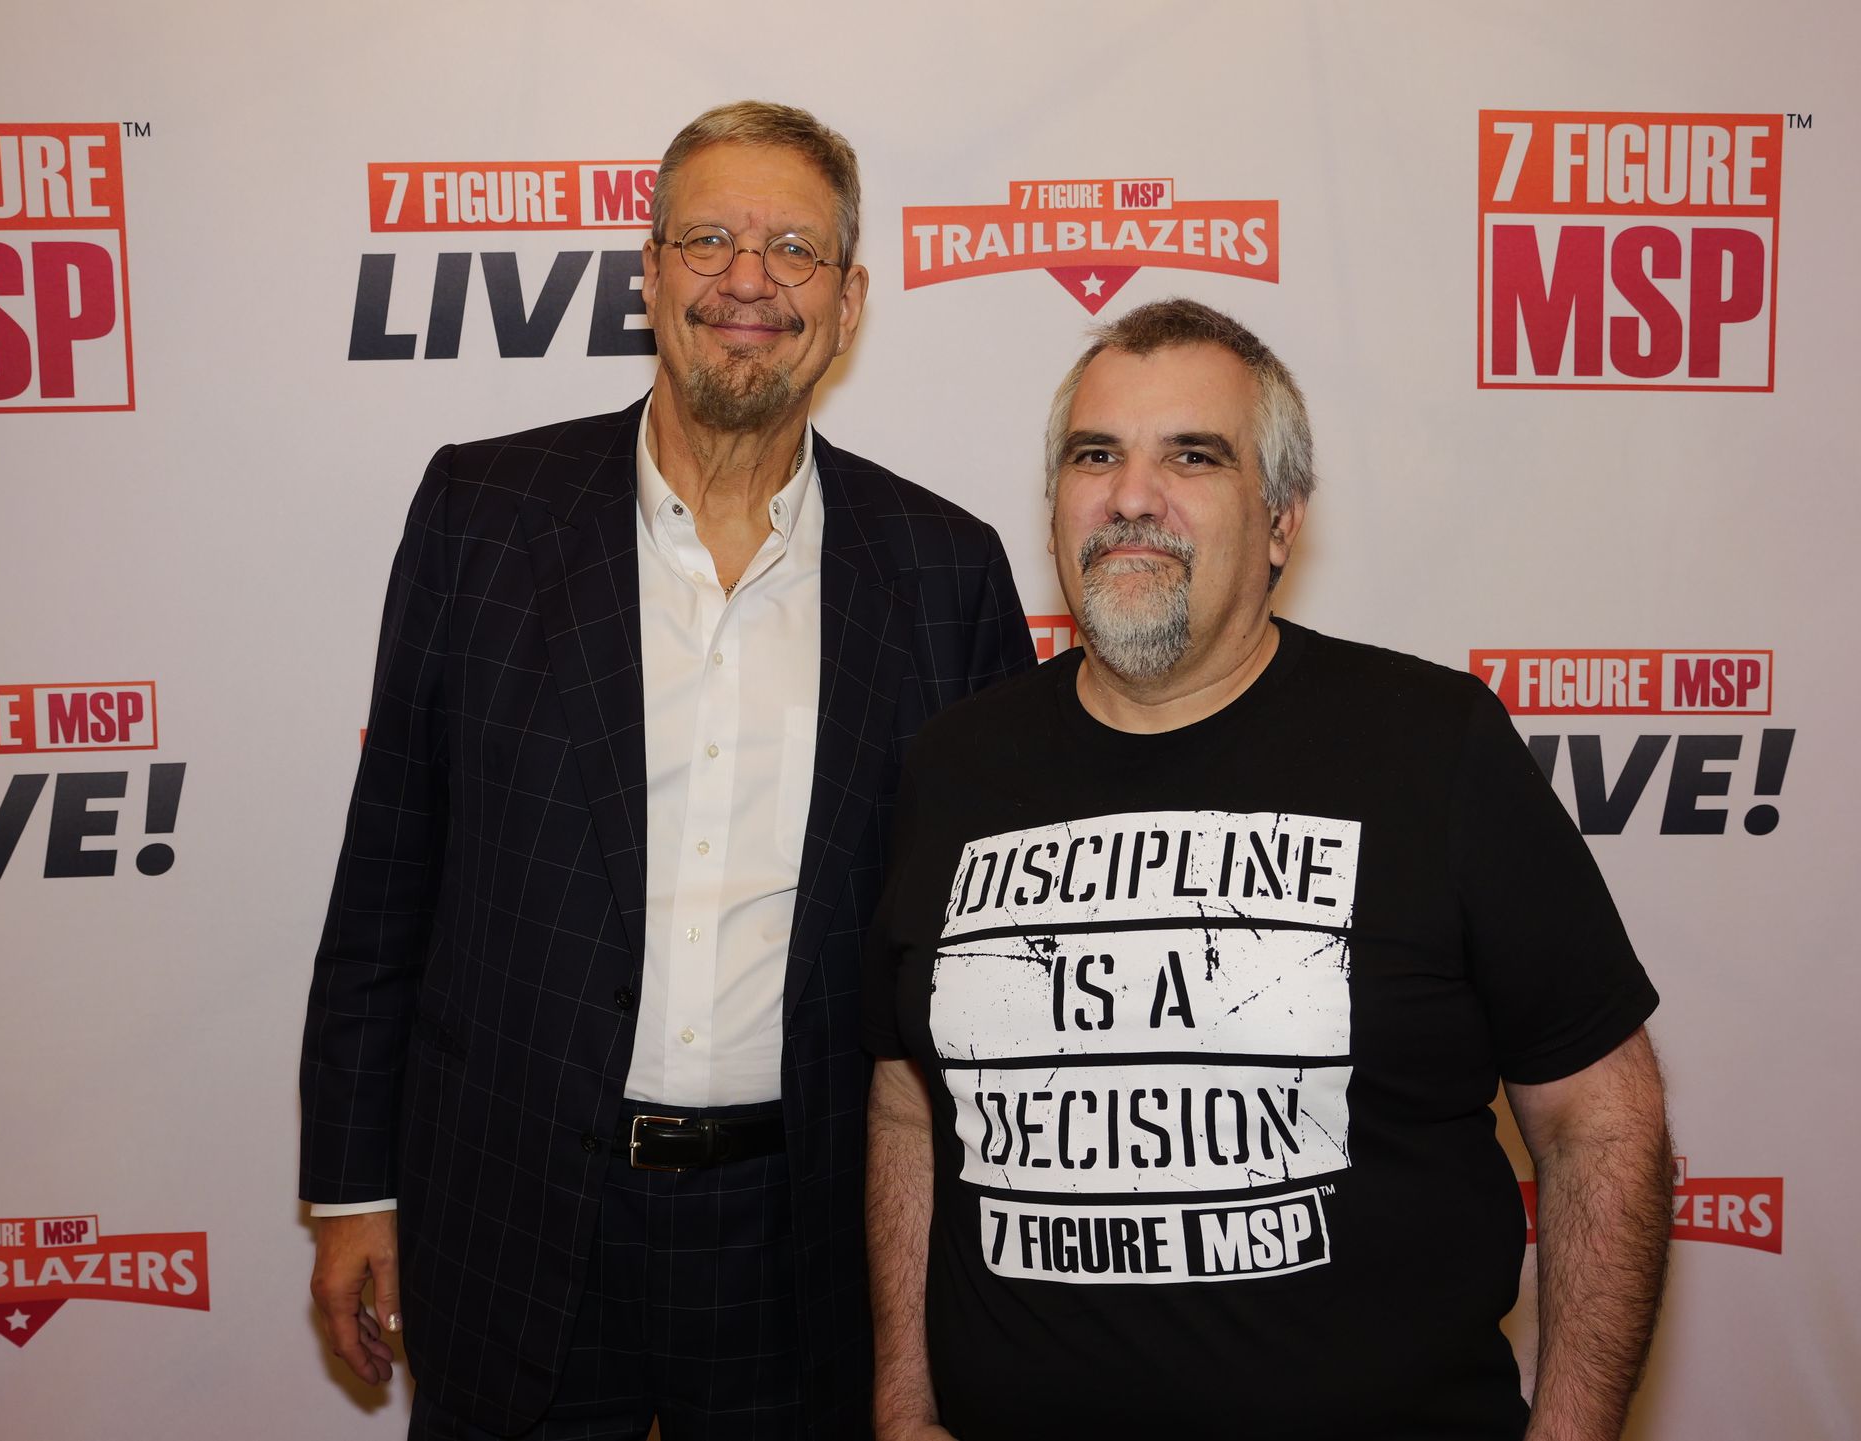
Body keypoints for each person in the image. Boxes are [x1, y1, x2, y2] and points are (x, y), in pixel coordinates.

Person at [300, 100, 1035, 1441]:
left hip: (803, 1238)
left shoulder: (946, 571)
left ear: (851, 299)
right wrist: (354, 1189)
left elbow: (973, 962)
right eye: (707, 238)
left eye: (794, 250)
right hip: (517, 1212)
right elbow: (391, 866)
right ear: (648, 273)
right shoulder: (484, 514)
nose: (747, 278)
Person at [863, 298, 1671, 1441]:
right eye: (1096, 455)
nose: (1132, 495)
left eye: (1192, 456)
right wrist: (906, 1407)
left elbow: (1603, 1118)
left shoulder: (1433, 746)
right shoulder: (956, 766)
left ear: (1282, 518)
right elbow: (907, 1108)